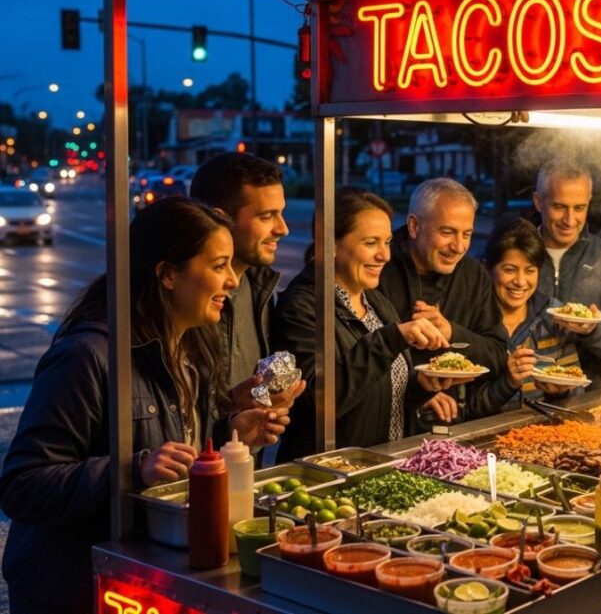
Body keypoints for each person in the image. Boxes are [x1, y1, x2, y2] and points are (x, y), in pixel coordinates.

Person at [0, 197, 288, 614]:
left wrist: (232, 433)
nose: (233, 282)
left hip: (152, 574)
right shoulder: (89, 355)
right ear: (168, 274)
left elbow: (177, 448)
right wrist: (133, 468)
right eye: (218, 265)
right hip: (77, 588)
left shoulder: (192, 347)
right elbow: (23, 484)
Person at [273, 188, 452, 459]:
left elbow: (377, 393)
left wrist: (422, 388)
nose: (385, 255)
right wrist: (391, 338)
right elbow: (320, 402)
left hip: (380, 466)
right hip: (330, 476)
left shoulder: (377, 303)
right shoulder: (301, 307)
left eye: (387, 242)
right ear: (329, 244)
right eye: (371, 243)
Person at [189, 153, 304, 439]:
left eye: (281, 213)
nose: (283, 228)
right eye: (266, 216)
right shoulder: (187, 298)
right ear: (220, 219)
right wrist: (229, 414)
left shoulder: (260, 289)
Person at [378, 178, 508, 413]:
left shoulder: (473, 274)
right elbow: (358, 363)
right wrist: (417, 392)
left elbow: (498, 356)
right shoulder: (378, 267)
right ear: (414, 226)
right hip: (384, 428)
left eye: (467, 234)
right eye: (447, 232)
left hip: (454, 425)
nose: (458, 246)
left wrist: (452, 332)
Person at [532, 161, 601, 382]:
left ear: (589, 204)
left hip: (590, 399)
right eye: (560, 207)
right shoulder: (516, 258)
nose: (570, 220)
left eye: (579, 208)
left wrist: (593, 331)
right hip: (523, 400)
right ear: (538, 202)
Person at [475, 218, 582, 409]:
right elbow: (464, 409)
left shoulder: (555, 316)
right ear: (487, 268)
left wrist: (560, 391)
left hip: (544, 433)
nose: (521, 282)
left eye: (530, 271)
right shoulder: (473, 320)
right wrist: (507, 383)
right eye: (510, 270)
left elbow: (576, 394)